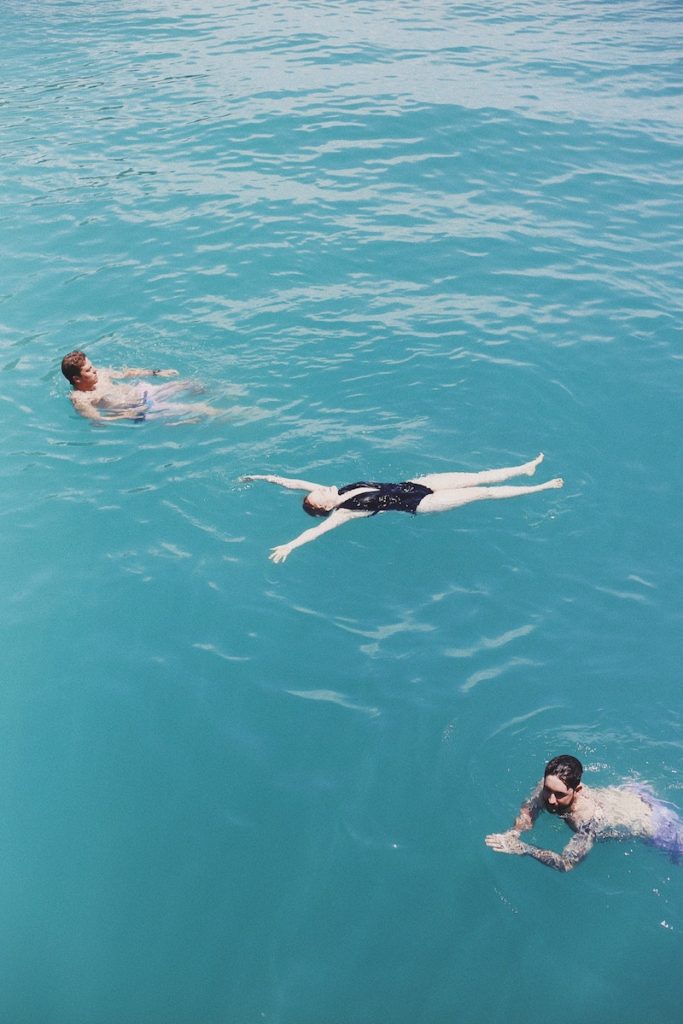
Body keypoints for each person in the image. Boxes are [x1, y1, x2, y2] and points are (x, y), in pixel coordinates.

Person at [243, 453, 563, 563]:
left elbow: (292, 482)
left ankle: (525, 469)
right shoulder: (344, 512)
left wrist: (260, 477)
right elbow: (317, 532)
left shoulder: (334, 491)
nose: (321, 489)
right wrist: (291, 545)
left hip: (414, 485)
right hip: (420, 503)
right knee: (485, 493)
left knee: (476, 476)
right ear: (324, 507)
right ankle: (540, 487)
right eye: (319, 496)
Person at [485, 754, 683, 871]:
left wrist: (525, 849)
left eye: (560, 795)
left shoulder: (586, 818)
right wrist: (515, 831)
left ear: (577, 790)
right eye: (548, 790)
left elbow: (567, 863)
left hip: (654, 824)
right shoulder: (549, 785)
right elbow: (530, 809)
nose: (551, 800)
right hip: (630, 795)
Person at [61, 350, 219, 423]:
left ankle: (222, 393)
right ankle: (228, 415)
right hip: (142, 410)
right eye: (89, 370)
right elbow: (98, 420)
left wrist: (156, 373)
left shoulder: (100, 374)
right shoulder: (80, 399)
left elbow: (126, 373)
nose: (95, 370)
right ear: (77, 378)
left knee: (188, 384)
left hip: (143, 391)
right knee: (197, 409)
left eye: (92, 366)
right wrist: (124, 415)